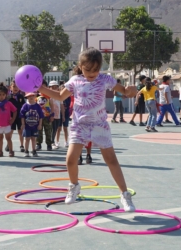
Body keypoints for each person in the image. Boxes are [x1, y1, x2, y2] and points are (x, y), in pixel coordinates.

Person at [38, 47, 137, 212]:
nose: (92, 73)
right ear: (80, 66)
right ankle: (74, 186)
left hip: (100, 126)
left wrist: (131, 92)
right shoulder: (75, 81)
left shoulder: (105, 79)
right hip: (79, 125)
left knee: (111, 160)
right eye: (88, 69)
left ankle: (125, 194)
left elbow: (125, 91)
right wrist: (41, 88)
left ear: (101, 68)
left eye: (96, 69)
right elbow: (60, 96)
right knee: (71, 159)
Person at [0, 83, 17, 157]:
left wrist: (12, 120)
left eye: (3, 94)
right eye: (0, 94)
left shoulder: (8, 103)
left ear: (6, 95)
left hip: (7, 124)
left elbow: (15, 111)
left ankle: (11, 151)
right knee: (0, 138)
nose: (2, 96)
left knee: (8, 138)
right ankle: (0, 151)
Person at [20, 92, 44, 157]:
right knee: (27, 138)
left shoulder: (37, 106)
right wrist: (23, 124)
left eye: (32, 96)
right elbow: (22, 116)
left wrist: (40, 125)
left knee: (34, 138)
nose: (31, 97)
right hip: (27, 126)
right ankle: (26, 151)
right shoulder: (25, 106)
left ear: (35, 97)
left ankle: (34, 151)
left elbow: (41, 116)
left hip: (35, 126)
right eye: (29, 96)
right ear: (27, 97)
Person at [6, 80, 25, 152]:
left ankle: (22, 145)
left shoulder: (21, 96)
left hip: (19, 117)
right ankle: (8, 144)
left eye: (17, 86)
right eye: (14, 86)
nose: (15, 88)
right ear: (10, 87)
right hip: (11, 117)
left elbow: (23, 106)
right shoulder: (8, 97)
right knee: (10, 131)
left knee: (20, 131)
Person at [36, 80, 54, 151]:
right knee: (39, 131)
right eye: (41, 86)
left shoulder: (49, 96)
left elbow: (52, 106)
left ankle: (49, 144)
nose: (42, 88)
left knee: (48, 131)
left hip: (47, 117)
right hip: (39, 117)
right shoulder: (36, 96)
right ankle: (38, 144)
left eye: (44, 86)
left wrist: (52, 115)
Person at [49, 80, 64, 149]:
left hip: (58, 115)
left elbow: (62, 106)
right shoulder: (48, 96)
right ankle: (51, 142)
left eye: (55, 87)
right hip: (50, 115)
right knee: (51, 129)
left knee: (55, 129)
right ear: (49, 88)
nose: (54, 88)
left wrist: (63, 116)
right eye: (52, 87)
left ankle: (53, 141)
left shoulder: (59, 96)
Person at [56, 82, 71, 148]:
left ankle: (66, 141)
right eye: (61, 89)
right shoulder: (58, 97)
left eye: (64, 89)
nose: (63, 90)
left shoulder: (68, 97)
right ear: (59, 90)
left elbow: (69, 105)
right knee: (58, 128)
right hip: (59, 114)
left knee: (65, 128)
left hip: (66, 114)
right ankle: (57, 141)